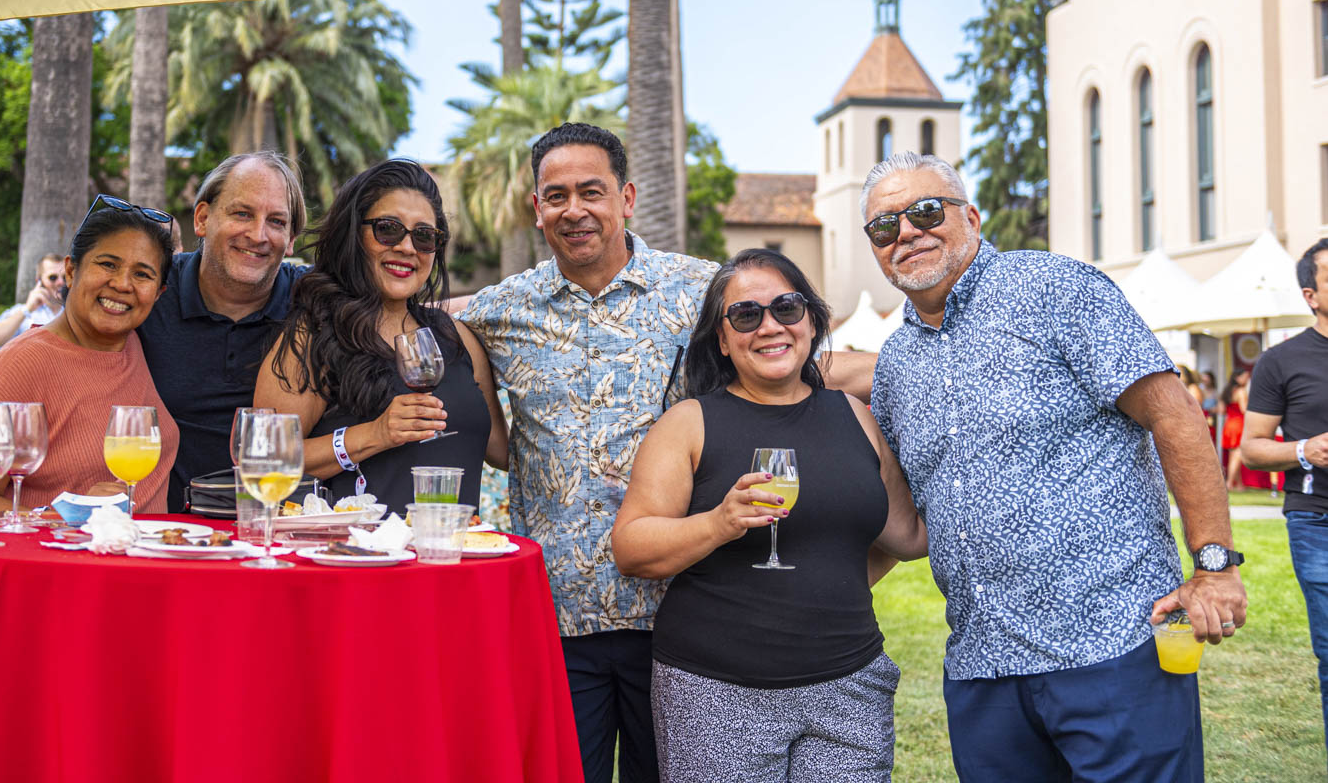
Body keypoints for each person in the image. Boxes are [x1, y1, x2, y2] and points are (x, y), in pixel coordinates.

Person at [457, 123, 876, 783]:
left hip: (686, 620)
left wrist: (928, 366)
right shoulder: (498, 309)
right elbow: (422, 326)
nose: (574, 210)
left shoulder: (707, 292)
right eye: (556, 195)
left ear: (626, 197)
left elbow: (799, 361)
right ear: (535, 209)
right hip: (557, 619)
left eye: (591, 191)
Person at [862, 151, 1244, 783]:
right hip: (983, 668)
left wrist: (1214, 566)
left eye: (926, 211)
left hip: (1113, 646)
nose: (906, 232)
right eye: (884, 225)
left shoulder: (1054, 288)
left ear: (972, 218)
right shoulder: (897, 365)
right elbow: (912, 525)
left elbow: (1174, 417)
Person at [613, 249, 927, 782]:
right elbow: (632, 547)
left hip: (849, 684)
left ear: (810, 320)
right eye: (746, 315)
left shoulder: (853, 415)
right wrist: (719, 522)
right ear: (722, 338)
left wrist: (845, 577)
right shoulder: (689, 424)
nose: (769, 326)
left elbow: (907, 535)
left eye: (786, 307)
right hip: (716, 692)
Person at [255, 159, 507, 510]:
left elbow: (505, 453)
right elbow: (262, 461)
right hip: (358, 558)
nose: (407, 247)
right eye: (388, 229)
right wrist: (377, 434)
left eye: (424, 236)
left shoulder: (458, 338)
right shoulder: (313, 335)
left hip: (452, 558)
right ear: (354, 233)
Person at [0, 198, 180, 520]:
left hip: (141, 564)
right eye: (108, 264)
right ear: (70, 270)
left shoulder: (136, 345)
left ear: (159, 293)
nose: (123, 284)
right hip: (60, 567)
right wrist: (67, 515)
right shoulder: (20, 365)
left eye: (142, 274)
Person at [138, 151, 310, 511]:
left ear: (291, 239)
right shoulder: (151, 289)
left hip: (278, 531)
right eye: (242, 214)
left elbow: (410, 311)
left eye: (277, 221)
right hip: (169, 532)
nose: (258, 235)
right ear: (202, 218)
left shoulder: (315, 299)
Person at [1241, 237, 1328, 768]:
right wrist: (1305, 450)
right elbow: (1252, 448)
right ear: (1310, 294)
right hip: (1318, 521)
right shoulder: (1279, 361)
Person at [0, 254, 66, 348]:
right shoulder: (23, 312)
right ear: (39, 281)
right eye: (53, 277)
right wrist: (27, 309)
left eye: (65, 277)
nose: (61, 282)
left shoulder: (75, 312)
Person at [1221, 369, 1250, 491]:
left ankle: (1239, 485)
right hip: (1239, 424)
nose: (1247, 379)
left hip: (1229, 424)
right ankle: (1229, 483)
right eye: (1245, 377)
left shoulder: (1227, 391)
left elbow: (1222, 410)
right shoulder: (1241, 392)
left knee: (1233, 454)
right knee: (1237, 455)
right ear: (1238, 378)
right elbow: (1244, 410)